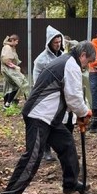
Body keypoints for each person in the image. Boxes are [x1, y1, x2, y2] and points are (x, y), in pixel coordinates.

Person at [0, 41, 96, 194]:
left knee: (67, 145)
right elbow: (73, 97)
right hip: (38, 116)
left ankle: (70, 183)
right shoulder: (70, 65)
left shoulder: (66, 61)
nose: (87, 65)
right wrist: (84, 112)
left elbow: (70, 95)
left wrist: (80, 113)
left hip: (50, 118)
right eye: (88, 61)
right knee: (33, 156)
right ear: (83, 56)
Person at [33, 25, 65, 162]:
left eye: (59, 42)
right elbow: (37, 79)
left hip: (60, 94)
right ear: (49, 43)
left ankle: (61, 149)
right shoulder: (41, 60)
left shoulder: (64, 56)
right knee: (46, 124)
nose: (58, 45)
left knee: (60, 123)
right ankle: (46, 151)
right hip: (46, 95)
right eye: (55, 43)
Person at [0, 35, 29, 108]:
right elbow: (6, 60)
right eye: (16, 41)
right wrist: (16, 67)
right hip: (9, 70)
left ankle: (6, 104)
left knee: (9, 86)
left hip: (9, 70)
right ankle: (8, 103)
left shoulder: (10, 47)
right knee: (22, 83)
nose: (17, 43)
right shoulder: (7, 48)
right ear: (12, 40)